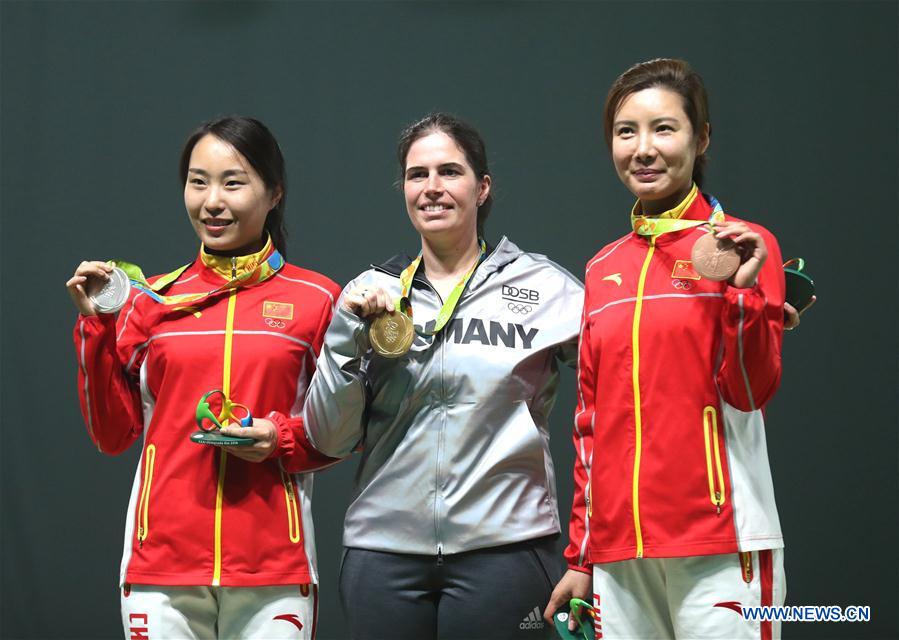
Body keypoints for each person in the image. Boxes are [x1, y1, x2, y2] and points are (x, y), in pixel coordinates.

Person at [302, 112, 584, 640]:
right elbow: (327, 438)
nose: (432, 188)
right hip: (383, 554)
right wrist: (345, 334)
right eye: (417, 175)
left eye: (450, 171)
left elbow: (622, 384)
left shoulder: (544, 287)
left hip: (507, 551)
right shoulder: (370, 293)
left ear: (482, 187)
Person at [67, 116, 341, 639]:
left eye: (232, 183)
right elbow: (112, 435)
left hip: (273, 569)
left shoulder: (319, 300)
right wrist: (95, 327)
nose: (212, 201)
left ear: (274, 192)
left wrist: (280, 438)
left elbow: (342, 432)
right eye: (198, 182)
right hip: (161, 568)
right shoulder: (150, 301)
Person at [546, 58, 791, 640]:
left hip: (722, 543)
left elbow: (750, 391)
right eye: (625, 132)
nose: (643, 149)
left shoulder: (746, 246)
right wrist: (582, 554)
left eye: (664, 129)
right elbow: (590, 424)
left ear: (700, 138)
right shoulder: (603, 267)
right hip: (620, 556)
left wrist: (743, 294)